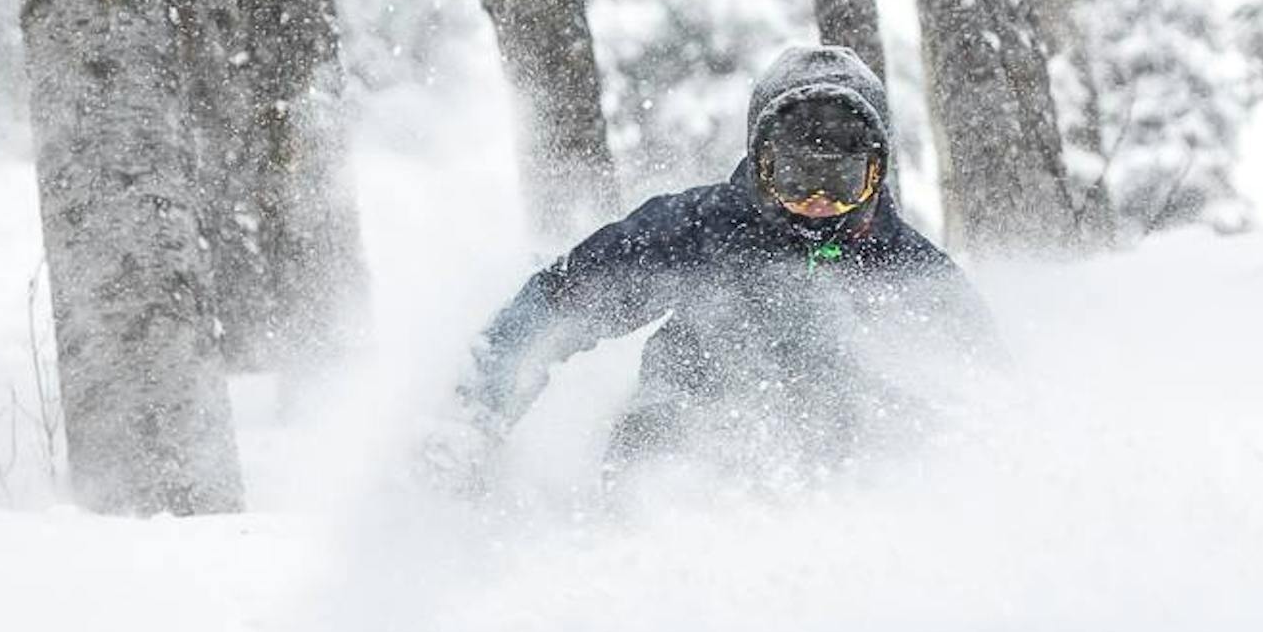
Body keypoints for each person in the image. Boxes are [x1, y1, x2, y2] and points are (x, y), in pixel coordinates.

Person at [425, 44, 994, 495]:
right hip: (678, 447)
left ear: (877, 175)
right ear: (761, 163)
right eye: (796, 177)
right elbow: (557, 306)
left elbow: (984, 385)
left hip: (840, 467)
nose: (818, 200)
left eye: (843, 181)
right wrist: (476, 416)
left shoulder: (907, 269)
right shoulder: (700, 229)